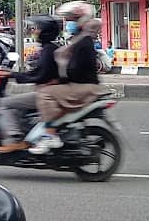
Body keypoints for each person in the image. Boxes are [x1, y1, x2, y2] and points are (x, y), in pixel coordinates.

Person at [34, 18, 107, 153]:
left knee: (45, 93)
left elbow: (74, 69)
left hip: (83, 87)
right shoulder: (83, 41)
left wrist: (60, 79)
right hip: (87, 86)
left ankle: (50, 134)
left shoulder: (82, 42)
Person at [0, 17, 62, 154]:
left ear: (45, 31)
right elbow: (37, 73)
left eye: (37, 28)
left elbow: (39, 75)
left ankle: (14, 139)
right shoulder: (49, 48)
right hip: (49, 91)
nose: (34, 31)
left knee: (4, 103)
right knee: (16, 103)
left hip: (46, 94)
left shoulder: (48, 50)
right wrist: (13, 74)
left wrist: (12, 75)